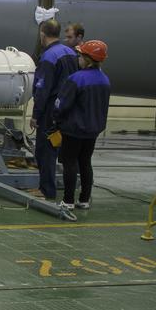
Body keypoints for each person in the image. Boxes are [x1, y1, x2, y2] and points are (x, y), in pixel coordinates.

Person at [50, 39, 110, 220]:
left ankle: (68, 200)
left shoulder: (76, 79)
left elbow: (62, 104)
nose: (78, 58)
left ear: (87, 59)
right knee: (85, 162)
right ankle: (84, 199)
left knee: (69, 163)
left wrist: (56, 118)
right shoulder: (105, 80)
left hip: (74, 129)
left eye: (80, 55)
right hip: (93, 130)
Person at [29, 20, 78, 200]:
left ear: (42, 34)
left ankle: (46, 189)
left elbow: (43, 89)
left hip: (50, 110)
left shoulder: (49, 56)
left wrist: (36, 115)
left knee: (45, 149)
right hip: (69, 108)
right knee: (64, 150)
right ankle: (65, 188)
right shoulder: (71, 53)